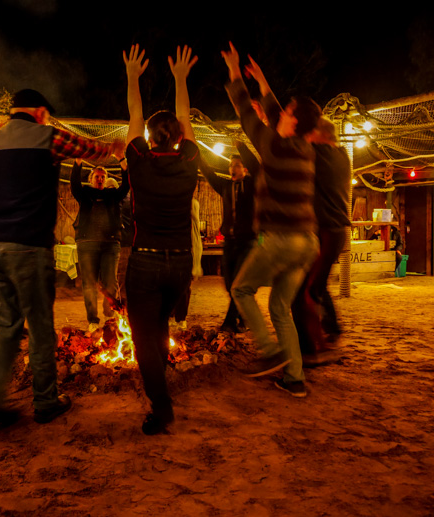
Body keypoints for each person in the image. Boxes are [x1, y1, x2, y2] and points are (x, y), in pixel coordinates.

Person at [0, 88, 123, 426]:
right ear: (41, 112)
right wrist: (113, 149)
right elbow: (88, 149)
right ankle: (45, 401)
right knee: (41, 327)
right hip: (26, 243)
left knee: (4, 325)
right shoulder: (46, 136)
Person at [222, 43, 321, 398]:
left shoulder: (271, 145)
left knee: (241, 289)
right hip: (307, 243)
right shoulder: (304, 148)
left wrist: (235, 72)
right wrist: (263, 80)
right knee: (280, 306)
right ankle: (294, 377)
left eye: (288, 111)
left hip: (278, 239)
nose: (281, 112)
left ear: (292, 122)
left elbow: (243, 109)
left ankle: (270, 352)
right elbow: (274, 110)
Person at [123, 44, 199, 435]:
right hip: (180, 264)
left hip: (145, 263)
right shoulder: (188, 163)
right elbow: (182, 118)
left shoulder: (139, 161)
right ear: (179, 137)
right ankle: (162, 391)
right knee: (161, 328)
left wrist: (133, 78)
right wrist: (181, 78)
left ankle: (162, 405)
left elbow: (134, 117)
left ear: (150, 138)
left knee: (144, 340)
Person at [291, 118, 351, 366]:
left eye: (312, 133)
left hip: (327, 231)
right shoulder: (342, 156)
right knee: (314, 288)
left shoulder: (324, 153)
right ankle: (323, 339)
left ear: (320, 135)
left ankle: (317, 348)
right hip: (332, 231)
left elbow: (295, 141)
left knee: (306, 292)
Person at [199, 149, 256, 334]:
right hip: (230, 243)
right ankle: (243, 317)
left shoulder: (252, 185)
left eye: (237, 165)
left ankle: (229, 323)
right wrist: (195, 153)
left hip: (248, 242)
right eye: (231, 166)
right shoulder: (225, 186)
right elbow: (208, 172)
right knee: (229, 284)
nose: (232, 168)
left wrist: (243, 149)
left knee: (238, 284)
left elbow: (259, 169)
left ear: (245, 169)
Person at [70, 159, 129, 333]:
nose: (100, 179)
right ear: (91, 179)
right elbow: (74, 184)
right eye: (97, 176)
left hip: (110, 244)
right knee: (89, 284)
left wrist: (122, 162)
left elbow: (126, 185)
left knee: (110, 282)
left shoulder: (113, 195)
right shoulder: (84, 194)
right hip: (87, 243)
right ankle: (93, 320)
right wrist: (77, 164)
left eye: (103, 177)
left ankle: (109, 313)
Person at [170, 198, 203, 330]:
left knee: (183, 288)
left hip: (187, 251)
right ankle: (172, 315)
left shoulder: (192, 204)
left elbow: (195, 239)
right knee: (171, 286)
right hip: (173, 249)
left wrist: (195, 264)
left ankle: (181, 318)